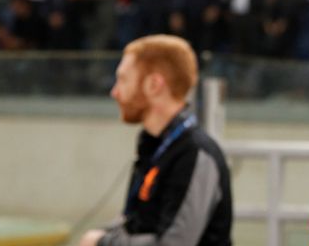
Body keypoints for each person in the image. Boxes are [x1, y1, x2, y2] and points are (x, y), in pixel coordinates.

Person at [79, 35, 232, 246]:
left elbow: (175, 243)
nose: (114, 92)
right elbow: (136, 223)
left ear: (154, 85)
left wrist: (104, 243)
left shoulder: (194, 152)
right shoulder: (153, 145)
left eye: (123, 80)